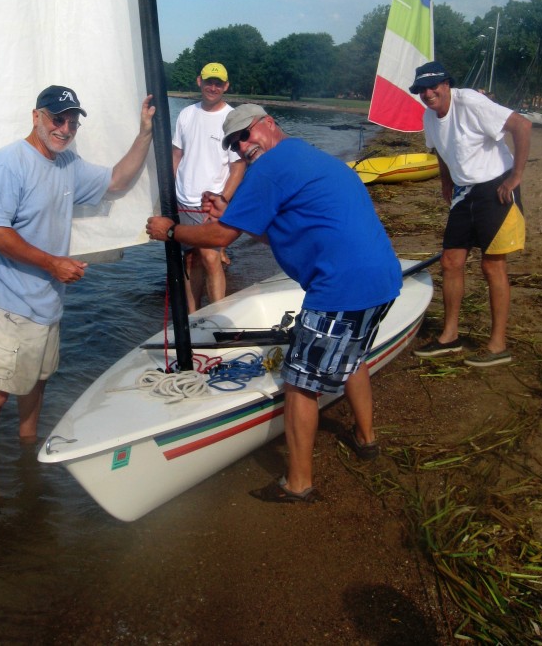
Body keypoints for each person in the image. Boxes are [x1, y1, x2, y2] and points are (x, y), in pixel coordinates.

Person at [146, 104, 402, 503]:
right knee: (353, 357)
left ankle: (298, 484)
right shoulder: (305, 154)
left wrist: (171, 230)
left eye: (246, 134)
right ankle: (366, 440)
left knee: (300, 383)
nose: (243, 146)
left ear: (269, 123)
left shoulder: (269, 168)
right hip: (382, 277)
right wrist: (231, 215)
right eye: (234, 143)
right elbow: (282, 231)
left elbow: (218, 239)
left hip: (341, 287)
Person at [0, 85, 155, 484]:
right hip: (8, 300)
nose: (65, 127)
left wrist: (144, 134)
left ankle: (26, 450)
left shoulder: (67, 163)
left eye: (72, 121)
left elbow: (118, 180)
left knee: (37, 382)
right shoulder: (9, 162)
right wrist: (54, 263)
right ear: (36, 116)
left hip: (47, 302)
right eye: (58, 118)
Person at [410, 62, 531, 367]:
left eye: (433, 86)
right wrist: (446, 179)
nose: (428, 93)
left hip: (496, 186)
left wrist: (515, 177)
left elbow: (522, 125)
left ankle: (498, 344)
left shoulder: (471, 102)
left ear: (447, 84)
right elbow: (439, 148)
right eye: (422, 89)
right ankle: (450, 337)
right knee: (451, 261)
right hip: (465, 192)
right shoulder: (429, 115)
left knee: (492, 267)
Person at [172, 62, 245, 311]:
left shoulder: (232, 119)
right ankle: (193, 319)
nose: (212, 87)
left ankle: (218, 319)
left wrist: (221, 199)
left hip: (211, 203)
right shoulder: (186, 114)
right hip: (183, 200)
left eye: (218, 83)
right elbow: (176, 155)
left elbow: (238, 166)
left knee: (211, 258)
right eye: (208, 81)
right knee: (190, 258)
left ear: (226, 86)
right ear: (199, 82)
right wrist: (171, 192)